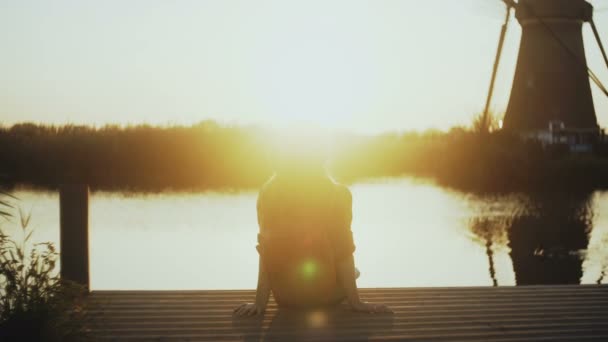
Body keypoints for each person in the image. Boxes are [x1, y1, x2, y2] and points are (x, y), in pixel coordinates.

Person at [234, 137, 390, 316]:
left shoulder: (268, 193)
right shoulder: (338, 193)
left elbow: (267, 250)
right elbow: (343, 252)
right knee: (355, 272)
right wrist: (356, 302)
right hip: (324, 296)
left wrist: (259, 303)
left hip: (285, 298)